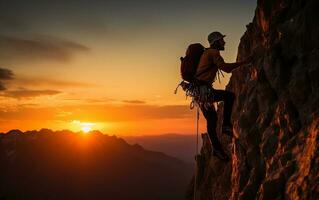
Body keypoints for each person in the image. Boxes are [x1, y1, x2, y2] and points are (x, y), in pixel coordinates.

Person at [195, 31, 251, 161]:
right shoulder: (213, 53)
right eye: (221, 40)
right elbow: (226, 68)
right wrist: (245, 62)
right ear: (216, 42)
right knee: (229, 96)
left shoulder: (206, 53)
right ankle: (226, 126)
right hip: (204, 91)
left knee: (212, 119)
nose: (224, 42)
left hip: (199, 93)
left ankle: (216, 149)